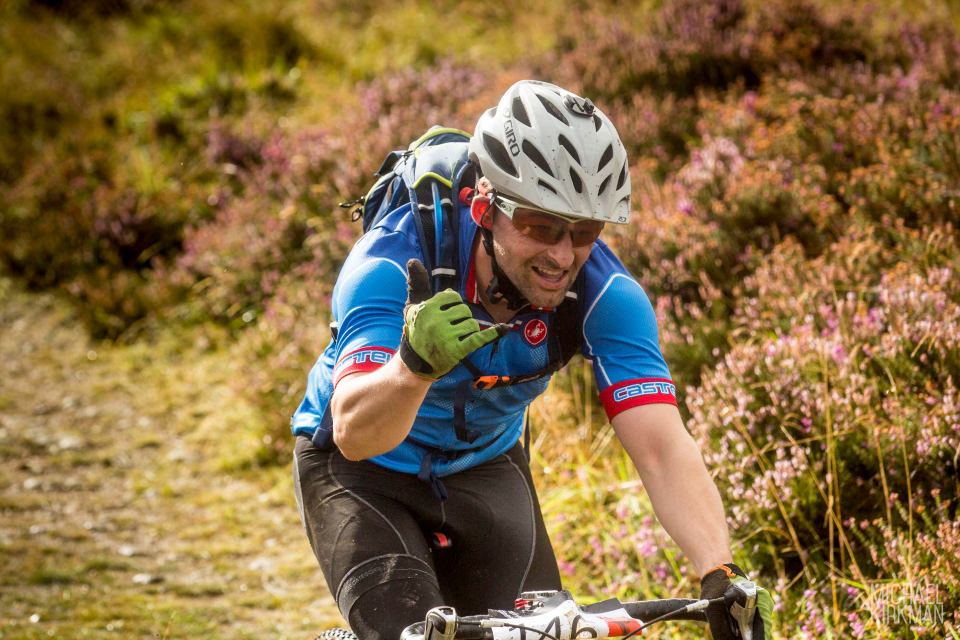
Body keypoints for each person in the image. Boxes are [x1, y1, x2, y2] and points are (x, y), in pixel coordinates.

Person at [291, 80, 773, 640]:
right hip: (361, 472)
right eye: (540, 226)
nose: (561, 255)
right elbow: (354, 432)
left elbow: (663, 447)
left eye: (584, 231)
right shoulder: (392, 265)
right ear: (485, 208)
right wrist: (412, 367)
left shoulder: (605, 296)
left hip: (486, 464)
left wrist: (719, 572)